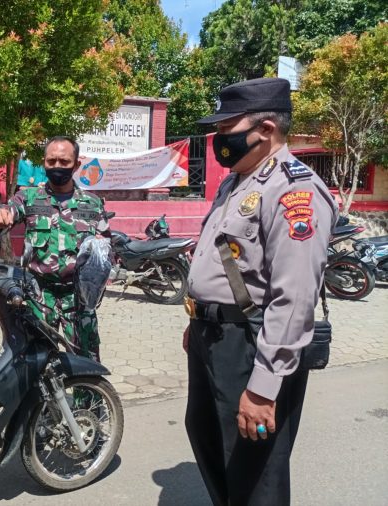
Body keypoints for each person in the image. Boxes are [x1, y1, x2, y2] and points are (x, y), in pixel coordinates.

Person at [183, 78, 338, 506]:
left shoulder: (293, 190)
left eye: (227, 129)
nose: (219, 140)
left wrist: (264, 388)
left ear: (267, 129)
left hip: (253, 344)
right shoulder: (236, 181)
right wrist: (198, 318)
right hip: (211, 336)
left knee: (255, 471)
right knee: (210, 439)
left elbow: (294, 298)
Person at [0, 136, 109, 362]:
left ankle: (89, 398)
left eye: (64, 162)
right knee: (38, 361)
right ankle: (45, 399)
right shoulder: (29, 197)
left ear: (76, 165)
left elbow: (104, 247)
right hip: (39, 297)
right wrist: (0, 215)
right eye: (51, 161)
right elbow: (7, 211)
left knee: (87, 361)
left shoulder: (92, 203)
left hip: (79, 299)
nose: (57, 167)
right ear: (43, 162)